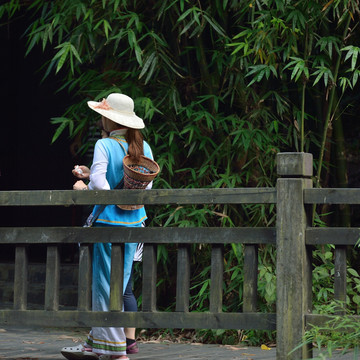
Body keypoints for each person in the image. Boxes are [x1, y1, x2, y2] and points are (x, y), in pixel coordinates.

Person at [61, 93, 154, 360]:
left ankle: (116, 352)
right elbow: (146, 185)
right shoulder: (144, 148)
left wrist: (85, 186)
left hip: (107, 223)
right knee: (120, 282)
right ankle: (96, 342)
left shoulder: (104, 145)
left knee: (105, 286)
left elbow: (102, 185)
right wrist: (95, 176)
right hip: (135, 223)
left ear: (108, 119)